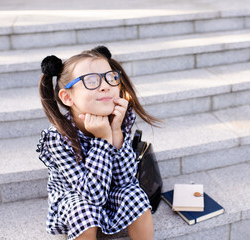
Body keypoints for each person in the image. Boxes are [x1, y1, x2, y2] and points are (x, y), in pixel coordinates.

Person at [36, 45, 160, 240]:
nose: (105, 86)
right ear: (67, 97)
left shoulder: (118, 118)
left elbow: (126, 181)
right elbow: (92, 197)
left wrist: (116, 131)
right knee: (83, 210)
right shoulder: (57, 138)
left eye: (110, 78)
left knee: (136, 196)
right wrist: (103, 140)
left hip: (109, 189)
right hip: (76, 198)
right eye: (91, 81)